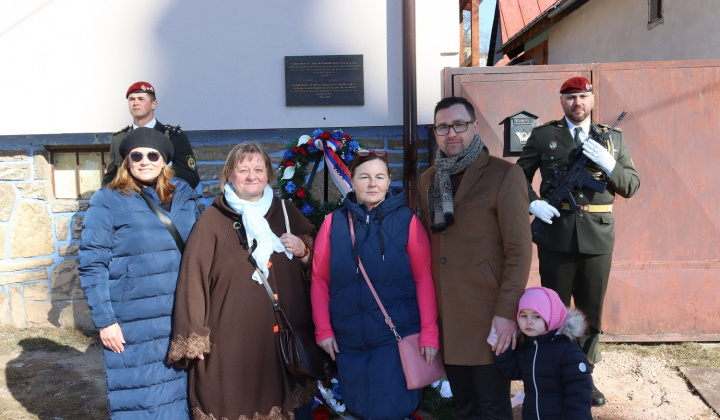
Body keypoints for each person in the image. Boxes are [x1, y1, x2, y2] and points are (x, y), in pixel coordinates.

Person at [167, 142, 317, 420]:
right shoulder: (212, 221)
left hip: (285, 339)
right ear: (229, 175)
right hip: (233, 342)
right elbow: (193, 280)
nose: (251, 176)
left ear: (268, 174)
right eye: (243, 169)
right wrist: (194, 336)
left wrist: (305, 250)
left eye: (258, 169)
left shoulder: (285, 212)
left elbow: (319, 263)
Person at [516, 76, 640, 406]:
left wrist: (608, 163)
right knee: (552, 309)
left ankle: (582, 374)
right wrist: (532, 201)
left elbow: (630, 185)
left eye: (583, 96)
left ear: (592, 99)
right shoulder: (544, 136)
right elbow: (518, 176)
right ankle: (546, 374)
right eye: (570, 97)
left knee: (590, 311)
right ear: (561, 101)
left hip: (597, 234)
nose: (577, 102)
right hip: (555, 234)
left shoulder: (612, 138)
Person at [419, 96, 532, 419]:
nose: (451, 133)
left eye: (459, 124)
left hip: (488, 315)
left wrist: (507, 313)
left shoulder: (504, 175)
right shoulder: (429, 180)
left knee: (493, 406)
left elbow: (519, 251)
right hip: (448, 315)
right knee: (464, 406)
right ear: (436, 132)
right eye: (443, 127)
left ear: (475, 127)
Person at [79, 127, 201, 419]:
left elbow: (204, 253)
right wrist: (105, 320)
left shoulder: (186, 196)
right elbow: (92, 263)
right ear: (127, 161)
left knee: (184, 400)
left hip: (181, 316)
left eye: (152, 154)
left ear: (164, 160)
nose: (144, 161)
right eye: (136, 155)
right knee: (143, 401)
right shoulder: (107, 200)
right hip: (134, 321)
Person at [311, 149, 440, 420]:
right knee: (359, 409)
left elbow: (423, 277)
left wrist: (429, 331)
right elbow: (320, 280)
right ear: (352, 181)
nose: (372, 183)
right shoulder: (332, 223)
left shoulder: (408, 221)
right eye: (364, 177)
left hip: (395, 340)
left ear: (389, 180)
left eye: (380, 176)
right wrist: (323, 329)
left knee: (393, 410)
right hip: (348, 343)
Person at [488, 287, 593, 420]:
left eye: (536, 316)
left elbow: (580, 394)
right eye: (524, 315)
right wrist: (502, 348)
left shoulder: (568, 352)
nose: (529, 321)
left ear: (551, 316)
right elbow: (514, 371)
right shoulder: (528, 346)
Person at [103, 81, 200, 189]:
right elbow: (111, 177)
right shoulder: (119, 139)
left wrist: (165, 166)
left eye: (141, 99)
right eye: (131, 99)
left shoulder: (174, 137)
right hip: (128, 201)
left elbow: (192, 178)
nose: (135, 103)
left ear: (153, 104)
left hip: (164, 200)